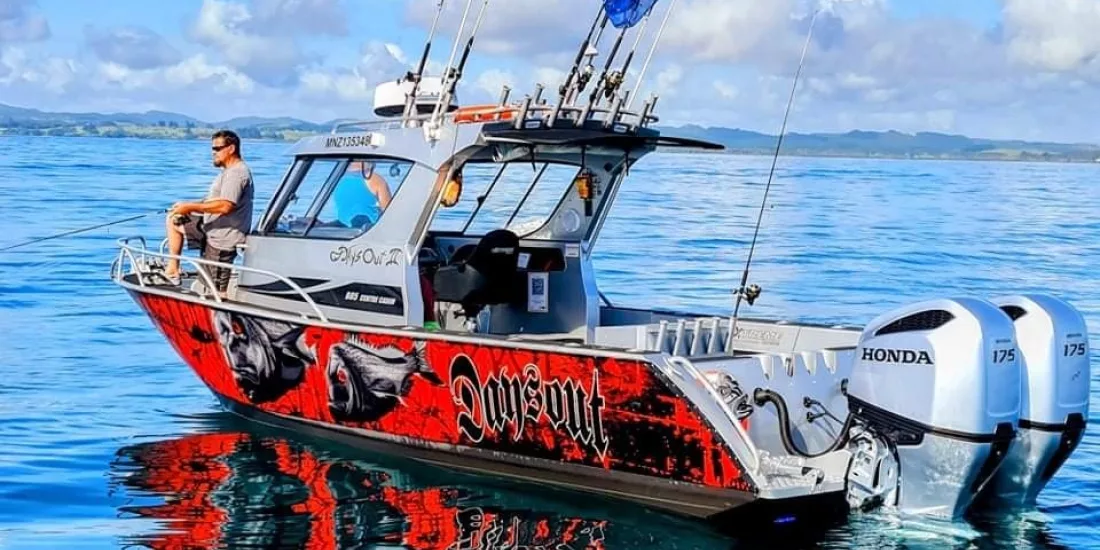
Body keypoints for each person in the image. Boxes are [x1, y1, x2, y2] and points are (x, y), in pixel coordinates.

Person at [162, 130, 254, 295]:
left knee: (216, 293)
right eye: (213, 149)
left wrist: (189, 207)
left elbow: (225, 206)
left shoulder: (236, 174)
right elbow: (213, 201)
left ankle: (222, 316)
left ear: (231, 148)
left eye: (218, 149)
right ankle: (173, 270)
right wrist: (184, 208)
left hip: (223, 239)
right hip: (210, 227)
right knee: (173, 219)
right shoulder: (227, 172)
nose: (213, 153)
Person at [331, 160, 392, 228]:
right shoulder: (374, 179)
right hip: (368, 230)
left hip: (344, 228)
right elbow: (390, 212)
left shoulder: (335, 177)